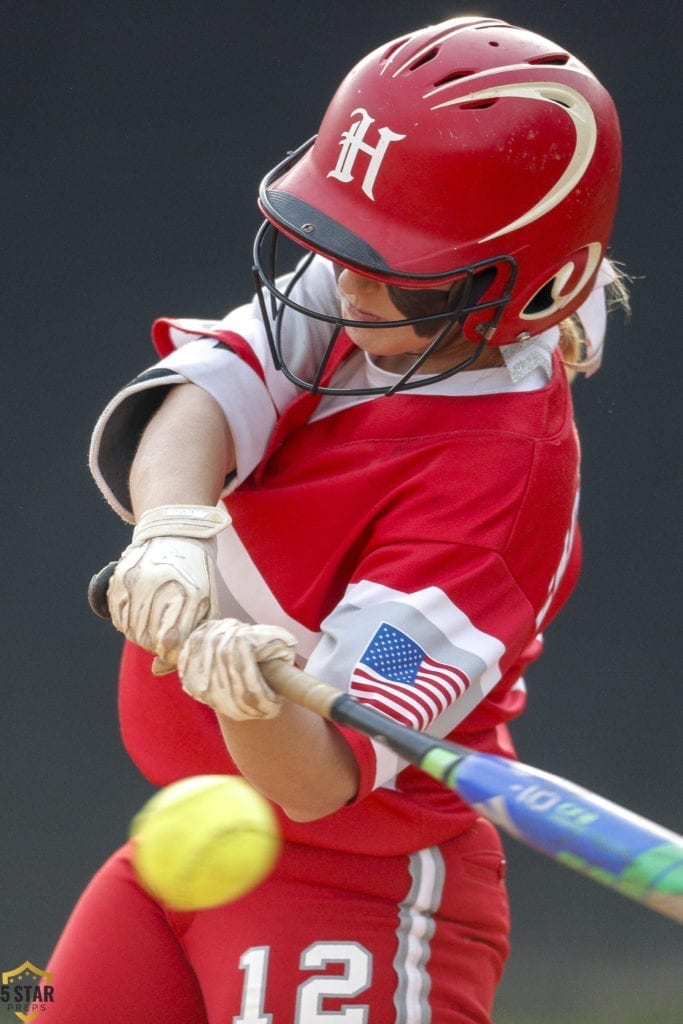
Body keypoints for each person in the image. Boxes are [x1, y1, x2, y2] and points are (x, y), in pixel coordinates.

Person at [46, 15, 627, 1023]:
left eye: (393, 265)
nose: (345, 279)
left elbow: (319, 778)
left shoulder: (495, 493)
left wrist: (249, 692)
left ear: (528, 285)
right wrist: (171, 530)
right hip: (181, 845)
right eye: (343, 242)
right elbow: (202, 406)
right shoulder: (394, 288)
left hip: (356, 889)